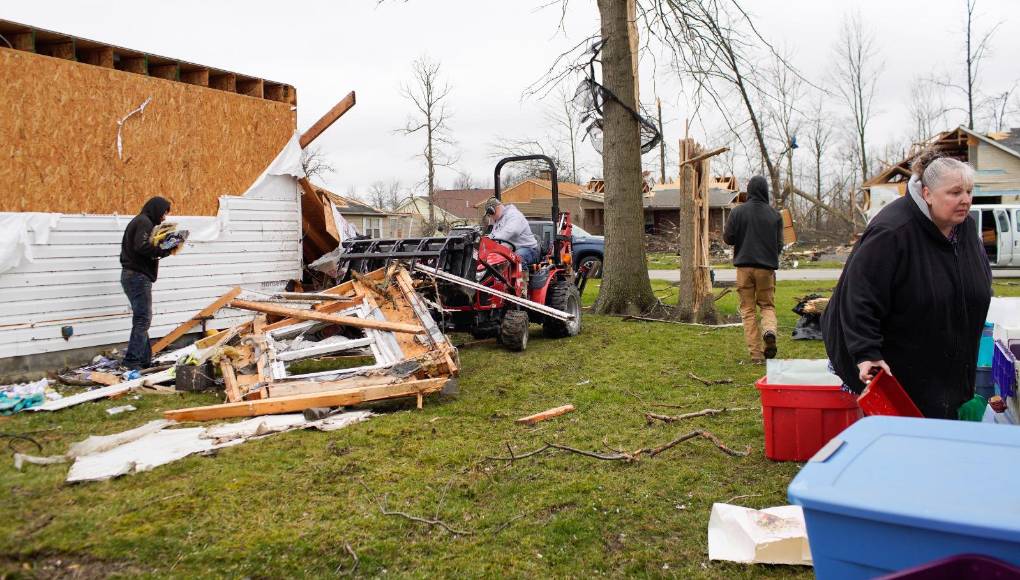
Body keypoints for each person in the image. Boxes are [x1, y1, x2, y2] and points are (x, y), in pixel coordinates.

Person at [823, 151, 992, 419]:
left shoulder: (965, 228)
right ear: (927, 194)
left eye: (969, 192)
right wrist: (867, 353)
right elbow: (859, 296)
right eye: (955, 192)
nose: (965, 200)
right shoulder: (893, 231)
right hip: (900, 363)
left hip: (946, 361)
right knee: (910, 440)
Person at [723, 175, 784, 363]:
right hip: (766, 269)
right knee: (766, 305)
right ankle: (769, 331)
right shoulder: (775, 215)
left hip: (743, 268)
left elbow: (728, 239)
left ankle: (756, 356)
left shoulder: (738, 212)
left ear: (749, 191)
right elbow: (779, 245)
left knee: (748, 310)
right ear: (766, 191)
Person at [119, 196, 173, 370]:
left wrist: (166, 249)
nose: (164, 217)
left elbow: (147, 249)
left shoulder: (142, 221)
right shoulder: (144, 222)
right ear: (156, 209)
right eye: (163, 213)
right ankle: (131, 362)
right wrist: (164, 247)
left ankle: (144, 360)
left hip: (134, 276)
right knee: (143, 319)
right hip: (137, 277)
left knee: (142, 319)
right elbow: (142, 247)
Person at [482, 197, 541, 265]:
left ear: (494, 210)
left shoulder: (514, 215)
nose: (491, 217)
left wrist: (491, 237)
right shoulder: (498, 221)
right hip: (511, 250)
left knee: (516, 259)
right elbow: (494, 238)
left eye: (490, 214)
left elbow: (511, 231)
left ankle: (523, 275)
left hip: (528, 249)